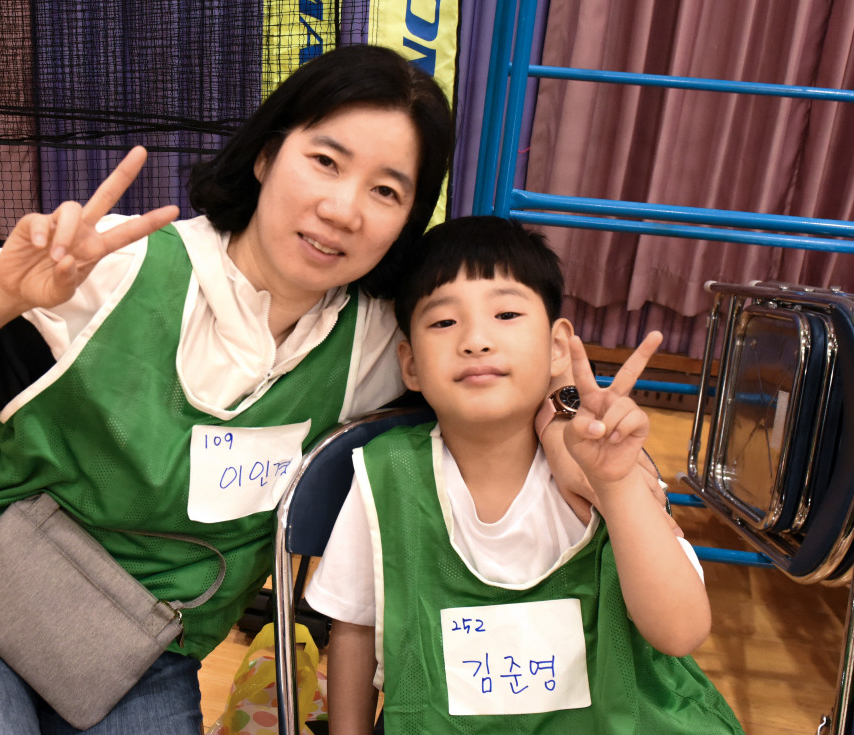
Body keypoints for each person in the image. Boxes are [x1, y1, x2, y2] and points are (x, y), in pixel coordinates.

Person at [0, 43, 460, 735]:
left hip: (138, 646)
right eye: (326, 160)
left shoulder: (378, 342)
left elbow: (490, 386)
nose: (343, 208)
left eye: (386, 191)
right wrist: (1, 292)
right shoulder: (123, 262)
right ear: (267, 156)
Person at [306, 216, 743, 734]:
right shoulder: (386, 475)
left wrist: (617, 484)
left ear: (557, 347)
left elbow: (680, 633)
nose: (475, 340)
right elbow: (355, 629)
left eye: (507, 314)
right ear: (411, 365)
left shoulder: (599, 465)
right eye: (443, 322)